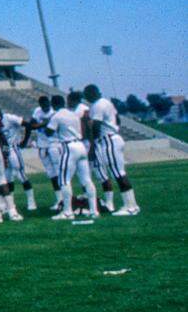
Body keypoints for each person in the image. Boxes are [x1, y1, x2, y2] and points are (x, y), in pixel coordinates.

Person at [85, 84, 140, 215]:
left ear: (91, 94)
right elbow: (118, 120)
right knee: (119, 172)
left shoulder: (97, 105)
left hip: (108, 140)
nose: (86, 98)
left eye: (87, 95)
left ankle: (131, 206)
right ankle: (130, 204)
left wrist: (93, 146)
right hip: (114, 137)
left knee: (118, 173)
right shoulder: (107, 103)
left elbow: (96, 127)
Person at [44, 94, 100, 220]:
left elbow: (48, 132)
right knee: (86, 179)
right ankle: (93, 210)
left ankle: (68, 212)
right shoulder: (73, 114)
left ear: (53, 104)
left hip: (69, 147)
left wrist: (47, 124)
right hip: (80, 146)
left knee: (64, 180)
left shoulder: (56, 116)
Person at [0, 107, 37, 211]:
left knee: (21, 175)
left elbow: (28, 125)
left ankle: (31, 202)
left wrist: (24, 141)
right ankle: (10, 204)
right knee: (8, 178)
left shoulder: (9, 118)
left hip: (13, 148)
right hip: (3, 151)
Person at [30, 94, 65, 210]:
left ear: (49, 104)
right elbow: (32, 125)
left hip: (54, 143)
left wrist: (43, 123)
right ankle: (59, 200)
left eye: (46, 106)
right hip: (42, 145)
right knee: (51, 174)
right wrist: (44, 123)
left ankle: (65, 199)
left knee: (59, 171)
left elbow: (53, 128)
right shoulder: (37, 111)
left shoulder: (54, 112)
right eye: (43, 106)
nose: (45, 108)